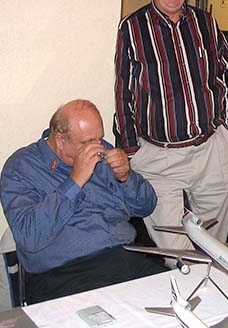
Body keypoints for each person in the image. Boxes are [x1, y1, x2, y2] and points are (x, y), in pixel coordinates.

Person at [113, 0, 228, 255]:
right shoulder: (132, 28)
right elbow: (123, 93)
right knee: (178, 254)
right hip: (160, 159)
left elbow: (227, 76)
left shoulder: (206, 23)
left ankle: (212, 301)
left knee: (215, 248)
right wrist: (131, 152)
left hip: (212, 152)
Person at [0, 99, 167, 304]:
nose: (97, 148)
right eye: (87, 142)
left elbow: (146, 205)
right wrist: (75, 181)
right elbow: (29, 236)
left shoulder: (102, 151)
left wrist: (126, 176)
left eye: (99, 139)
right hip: (65, 274)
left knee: (179, 303)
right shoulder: (21, 167)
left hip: (126, 257)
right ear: (60, 139)